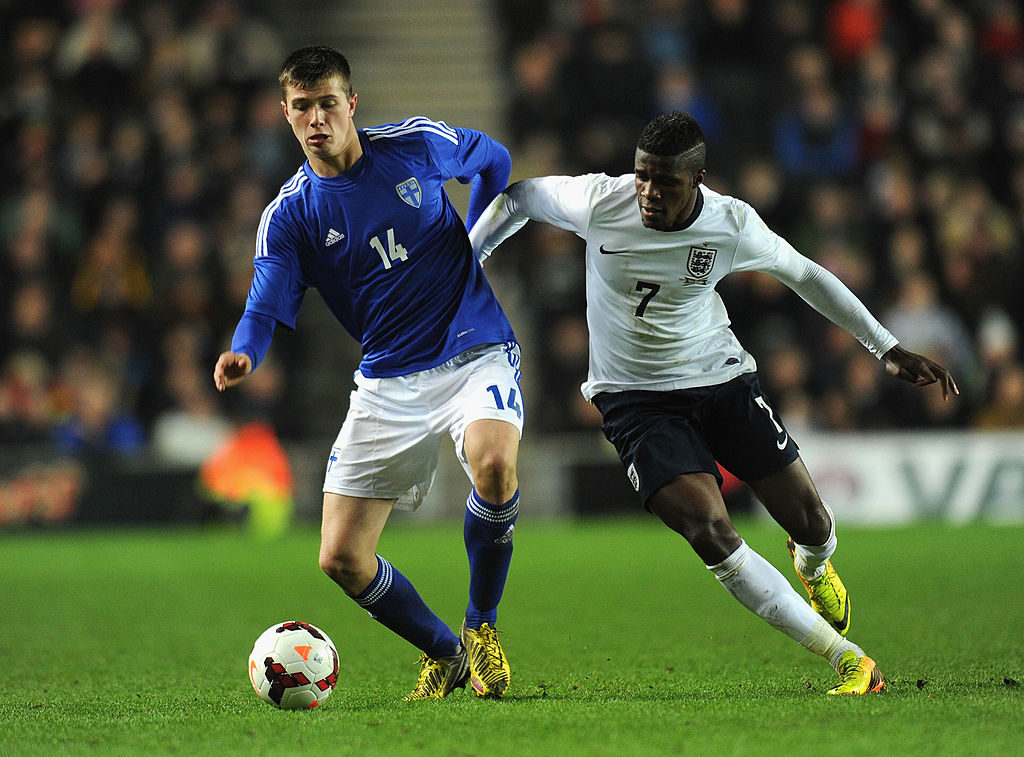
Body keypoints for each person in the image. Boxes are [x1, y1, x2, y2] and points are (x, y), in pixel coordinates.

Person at [470, 111, 958, 695]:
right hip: (634, 401)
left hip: (721, 382)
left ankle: (812, 563)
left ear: (698, 179)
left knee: (814, 524)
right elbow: (521, 197)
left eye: (665, 182)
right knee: (709, 529)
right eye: (642, 176)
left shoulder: (732, 225)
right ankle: (848, 659)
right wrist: (470, 261)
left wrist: (887, 346)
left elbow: (805, 274)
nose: (647, 193)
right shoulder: (601, 200)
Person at [214, 46, 523, 701]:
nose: (317, 118)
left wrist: (478, 236)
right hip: (388, 378)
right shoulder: (291, 215)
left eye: (329, 102)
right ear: (286, 115)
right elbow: (266, 300)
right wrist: (246, 350)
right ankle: (445, 651)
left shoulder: (415, 145)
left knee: (494, 464)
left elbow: (494, 159)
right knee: (340, 558)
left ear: (351, 103)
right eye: (303, 107)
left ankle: (481, 626)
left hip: (474, 348)